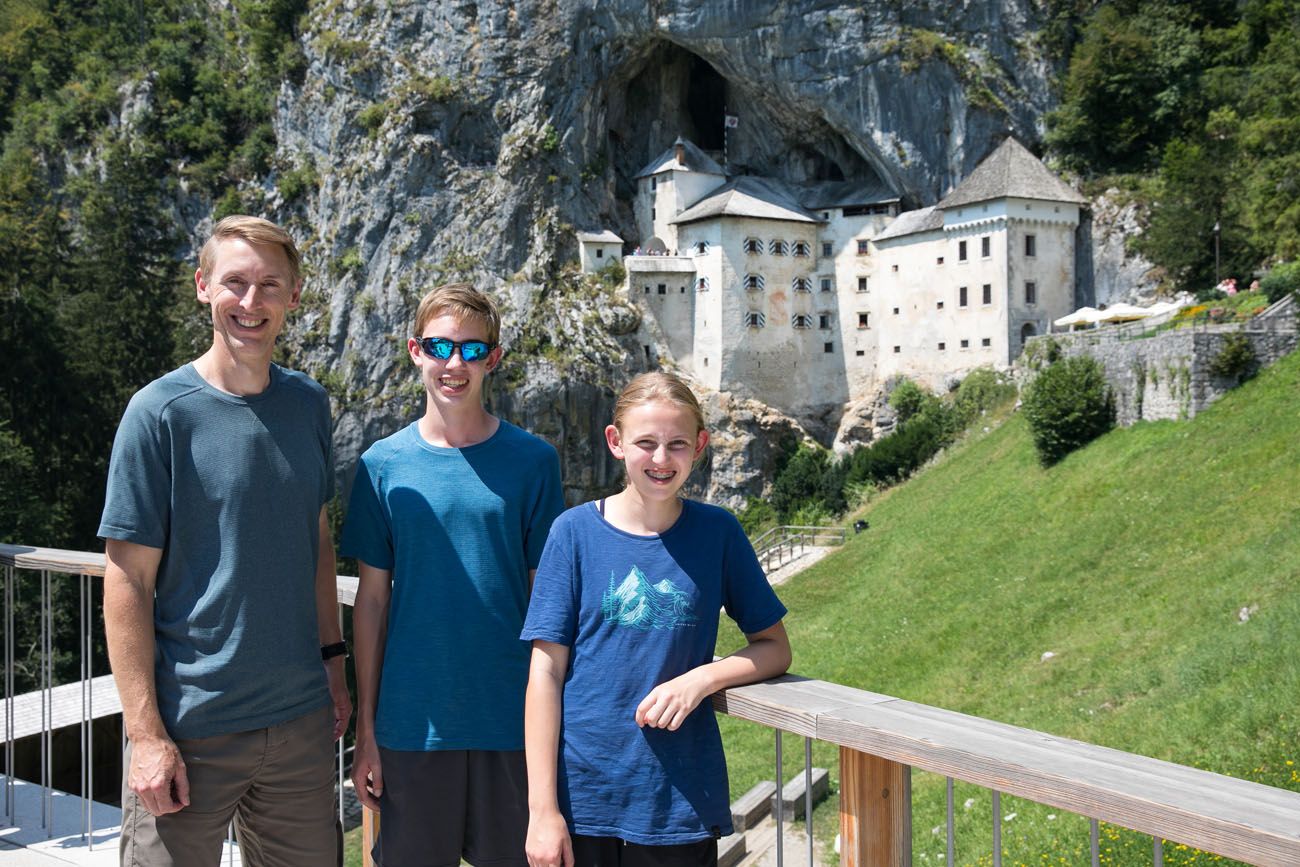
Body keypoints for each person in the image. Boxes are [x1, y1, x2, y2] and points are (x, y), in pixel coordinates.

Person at [100, 215, 351, 866]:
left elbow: (316, 538)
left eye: (270, 284)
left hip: (299, 723)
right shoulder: (159, 414)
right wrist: (146, 734)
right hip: (191, 726)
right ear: (202, 287)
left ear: (293, 296)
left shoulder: (308, 406)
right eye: (235, 282)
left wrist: (333, 663)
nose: (251, 301)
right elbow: (126, 580)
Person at [522, 372, 791, 867]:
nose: (662, 459)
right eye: (646, 443)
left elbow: (774, 646)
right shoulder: (573, 533)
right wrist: (542, 810)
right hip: (582, 796)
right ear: (616, 442)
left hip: (677, 797)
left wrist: (702, 680)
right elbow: (545, 671)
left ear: (700, 446)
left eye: (678, 444)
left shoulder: (718, 534)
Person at [342, 282, 565, 867]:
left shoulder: (534, 462)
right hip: (413, 724)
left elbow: (548, 602)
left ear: (492, 359)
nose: (453, 364)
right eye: (440, 347)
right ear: (415, 351)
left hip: (511, 723)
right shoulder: (381, 466)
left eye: (470, 349)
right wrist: (365, 730)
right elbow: (371, 604)